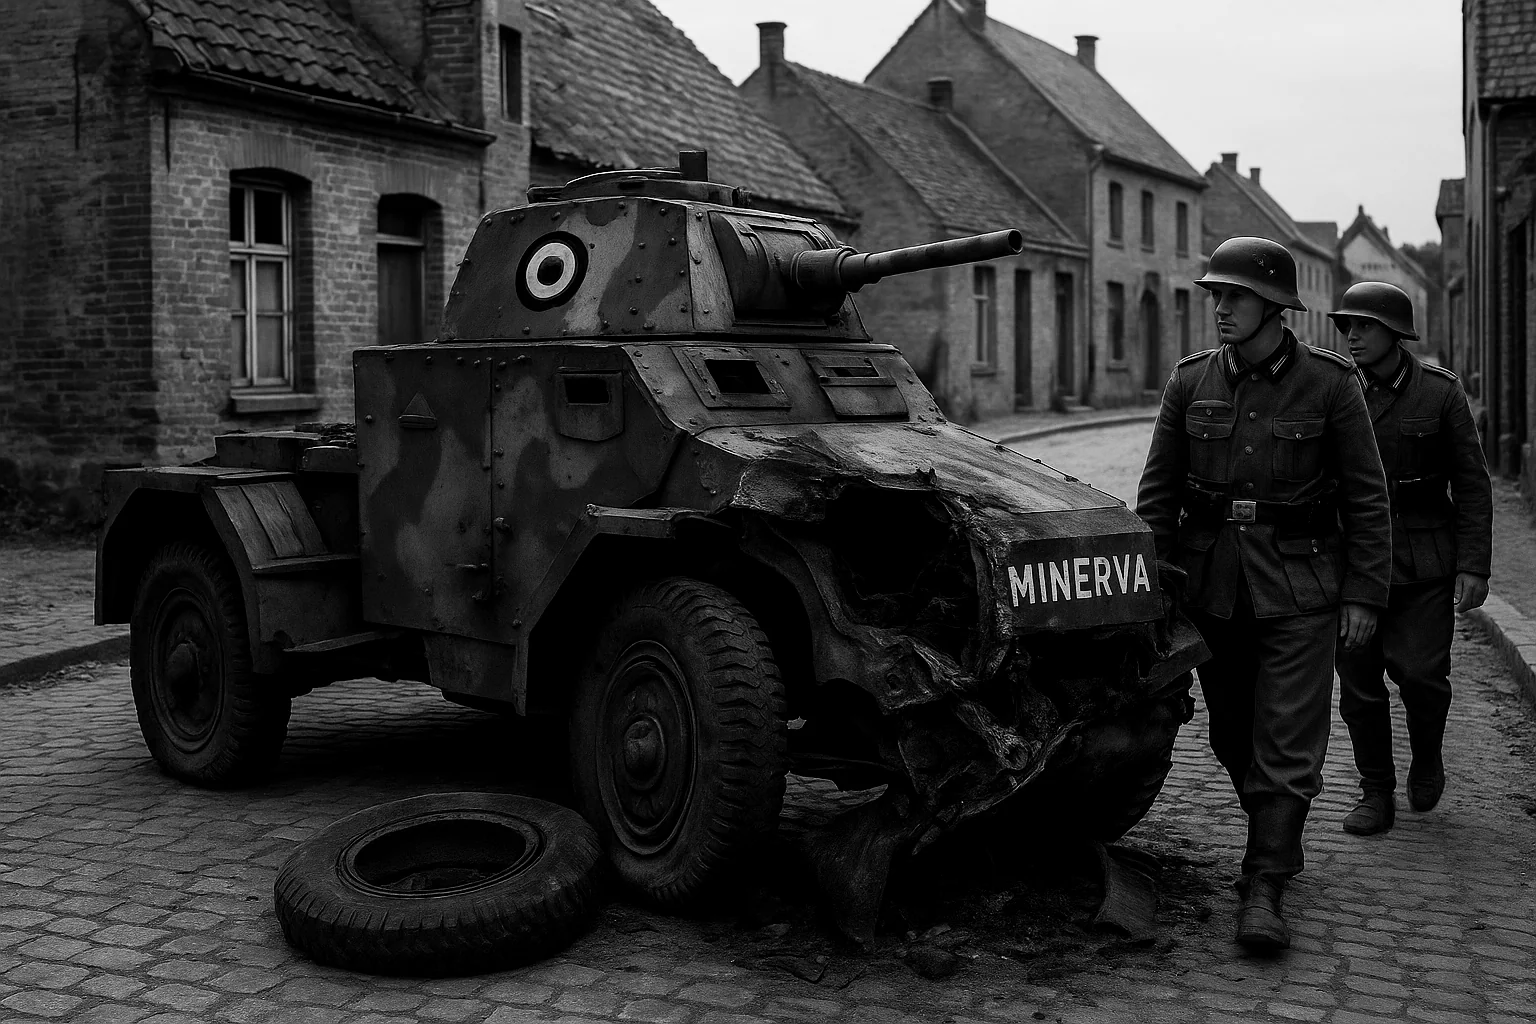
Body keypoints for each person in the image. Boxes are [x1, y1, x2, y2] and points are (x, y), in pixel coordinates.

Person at [1136, 237, 1392, 952]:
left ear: (1276, 307)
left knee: (1287, 739)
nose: (1221, 308)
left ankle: (1265, 883)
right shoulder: (1190, 382)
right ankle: (1273, 842)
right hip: (1212, 587)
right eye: (1217, 296)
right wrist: (1159, 584)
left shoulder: (1331, 385)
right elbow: (1156, 497)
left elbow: (1369, 502)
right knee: (1230, 733)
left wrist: (1365, 595)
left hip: (1303, 588)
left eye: (1236, 296)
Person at [1329, 282, 1492, 835]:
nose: (1352, 336)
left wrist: (1474, 564)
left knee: (1422, 673)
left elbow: (1471, 484)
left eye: (1364, 326)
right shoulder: (1336, 390)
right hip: (1353, 565)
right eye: (1347, 326)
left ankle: (1427, 753)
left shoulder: (1439, 393)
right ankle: (1375, 790)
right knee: (1359, 683)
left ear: (1395, 332)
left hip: (1424, 561)